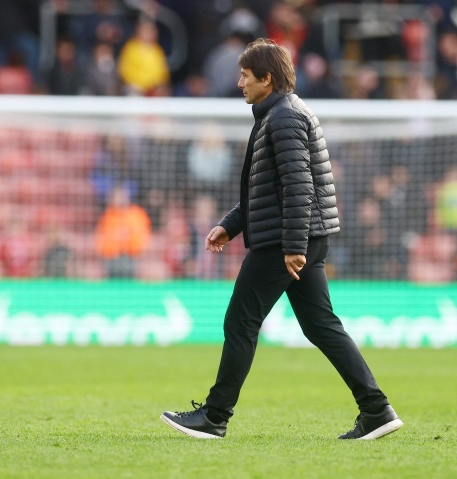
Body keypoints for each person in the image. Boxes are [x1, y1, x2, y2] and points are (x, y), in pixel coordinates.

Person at [160, 38, 402, 441]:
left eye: (245, 75)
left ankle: (214, 416)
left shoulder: (284, 117)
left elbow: (298, 186)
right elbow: (267, 190)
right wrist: (231, 224)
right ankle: (377, 410)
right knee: (321, 325)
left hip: (284, 241)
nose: (239, 83)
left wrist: (292, 246)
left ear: (266, 79)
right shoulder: (282, 112)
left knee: (241, 320)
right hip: (302, 235)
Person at [94, 185, 152, 279]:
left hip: (133, 258)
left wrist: (126, 242)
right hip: (111, 258)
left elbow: (142, 238)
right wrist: (116, 243)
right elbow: (101, 240)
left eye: (121, 196)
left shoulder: (137, 214)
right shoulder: (108, 216)